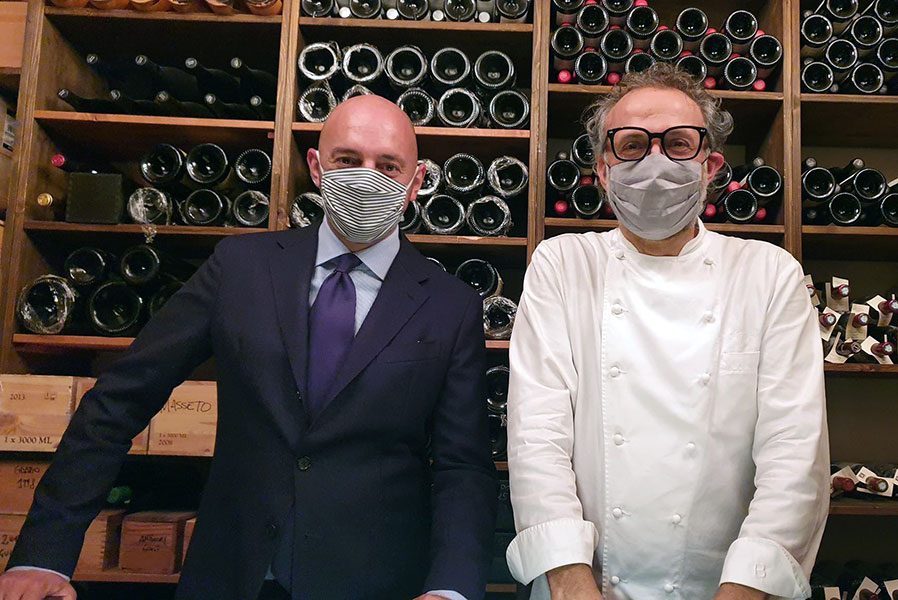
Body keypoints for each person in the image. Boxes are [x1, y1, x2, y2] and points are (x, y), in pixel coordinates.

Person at [0, 95, 497, 600]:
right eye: (348, 160)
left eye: (388, 166)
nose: (367, 178)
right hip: (231, 573)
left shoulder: (450, 306)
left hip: (378, 581)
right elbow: (120, 399)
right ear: (317, 167)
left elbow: (463, 465)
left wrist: (452, 588)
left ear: (415, 182)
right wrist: (43, 554)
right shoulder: (239, 267)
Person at [505, 64, 829, 600]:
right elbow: (537, 433)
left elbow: (794, 451)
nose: (655, 163)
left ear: (710, 166)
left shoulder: (768, 274)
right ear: (603, 169)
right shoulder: (563, 264)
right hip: (589, 580)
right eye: (632, 145)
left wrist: (746, 588)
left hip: (725, 584)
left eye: (678, 144)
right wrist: (568, 577)